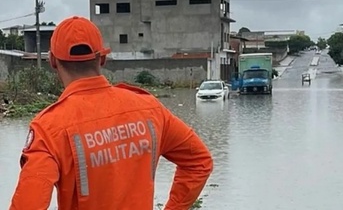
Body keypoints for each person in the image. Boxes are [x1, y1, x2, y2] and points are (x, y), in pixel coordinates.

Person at [9, 16, 213, 210]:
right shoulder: (149, 109)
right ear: (103, 58)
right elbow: (199, 162)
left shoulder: (49, 129)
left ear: (53, 61)